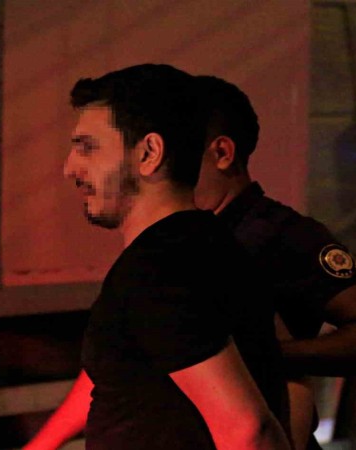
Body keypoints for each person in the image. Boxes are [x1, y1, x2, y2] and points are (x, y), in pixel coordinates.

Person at [24, 73, 356, 450]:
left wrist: (267, 355)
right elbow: (117, 363)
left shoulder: (275, 238)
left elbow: (278, 404)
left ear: (220, 153)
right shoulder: (186, 244)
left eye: (189, 147)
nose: (71, 167)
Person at [38, 63, 292, 450]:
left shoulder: (158, 269)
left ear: (149, 153)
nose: (70, 168)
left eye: (88, 148)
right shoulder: (207, 245)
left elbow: (249, 432)